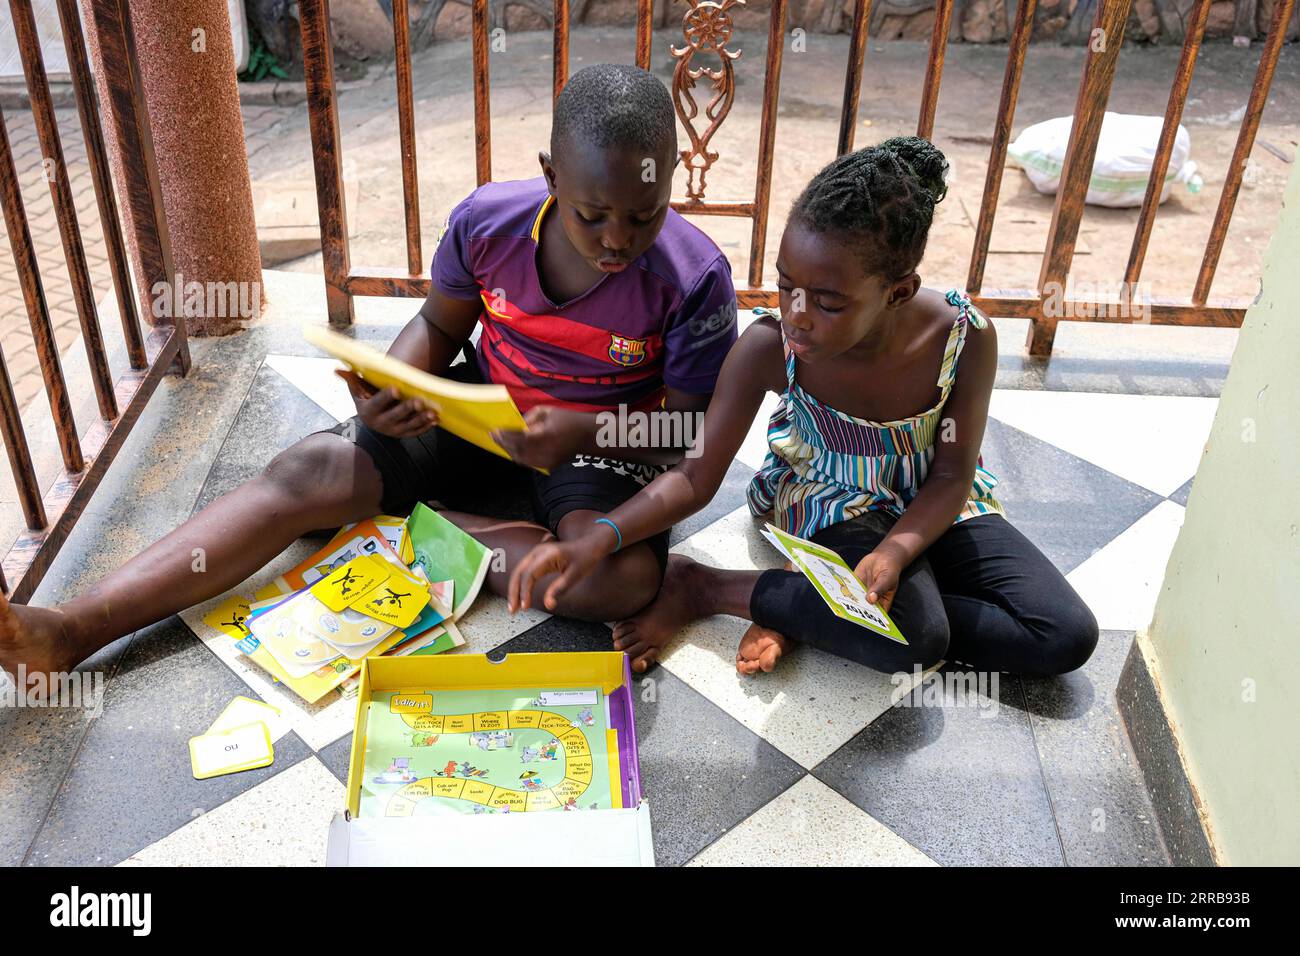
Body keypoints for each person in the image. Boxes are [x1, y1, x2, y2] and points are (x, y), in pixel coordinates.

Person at [0, 64, 737, 681]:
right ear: (549, 177)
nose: (617, 240)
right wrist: (395, 386)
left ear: (669, 179)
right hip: (476, 413)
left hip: (598, 449)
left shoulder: (694, 278)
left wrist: (579, 428)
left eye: (643, 216)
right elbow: (438, 327)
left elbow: (684, 431)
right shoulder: (487, 224)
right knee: (305, 474)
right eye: (592, 214)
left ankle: (411, 527)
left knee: (621, 583)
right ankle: (72, 630)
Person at [506, 137, 1099, 678]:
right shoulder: (769, 347)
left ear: (897, 291)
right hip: (827, 502)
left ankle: (809, 609)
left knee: (1062, 636)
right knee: (917, 636)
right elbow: (694, 474)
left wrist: (897, 551)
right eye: (786, 284)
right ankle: (706, 587)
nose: (797, 312)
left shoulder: (965, 338)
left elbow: (950, 474)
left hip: (934, 500)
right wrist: (603, 535)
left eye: (828, 302)